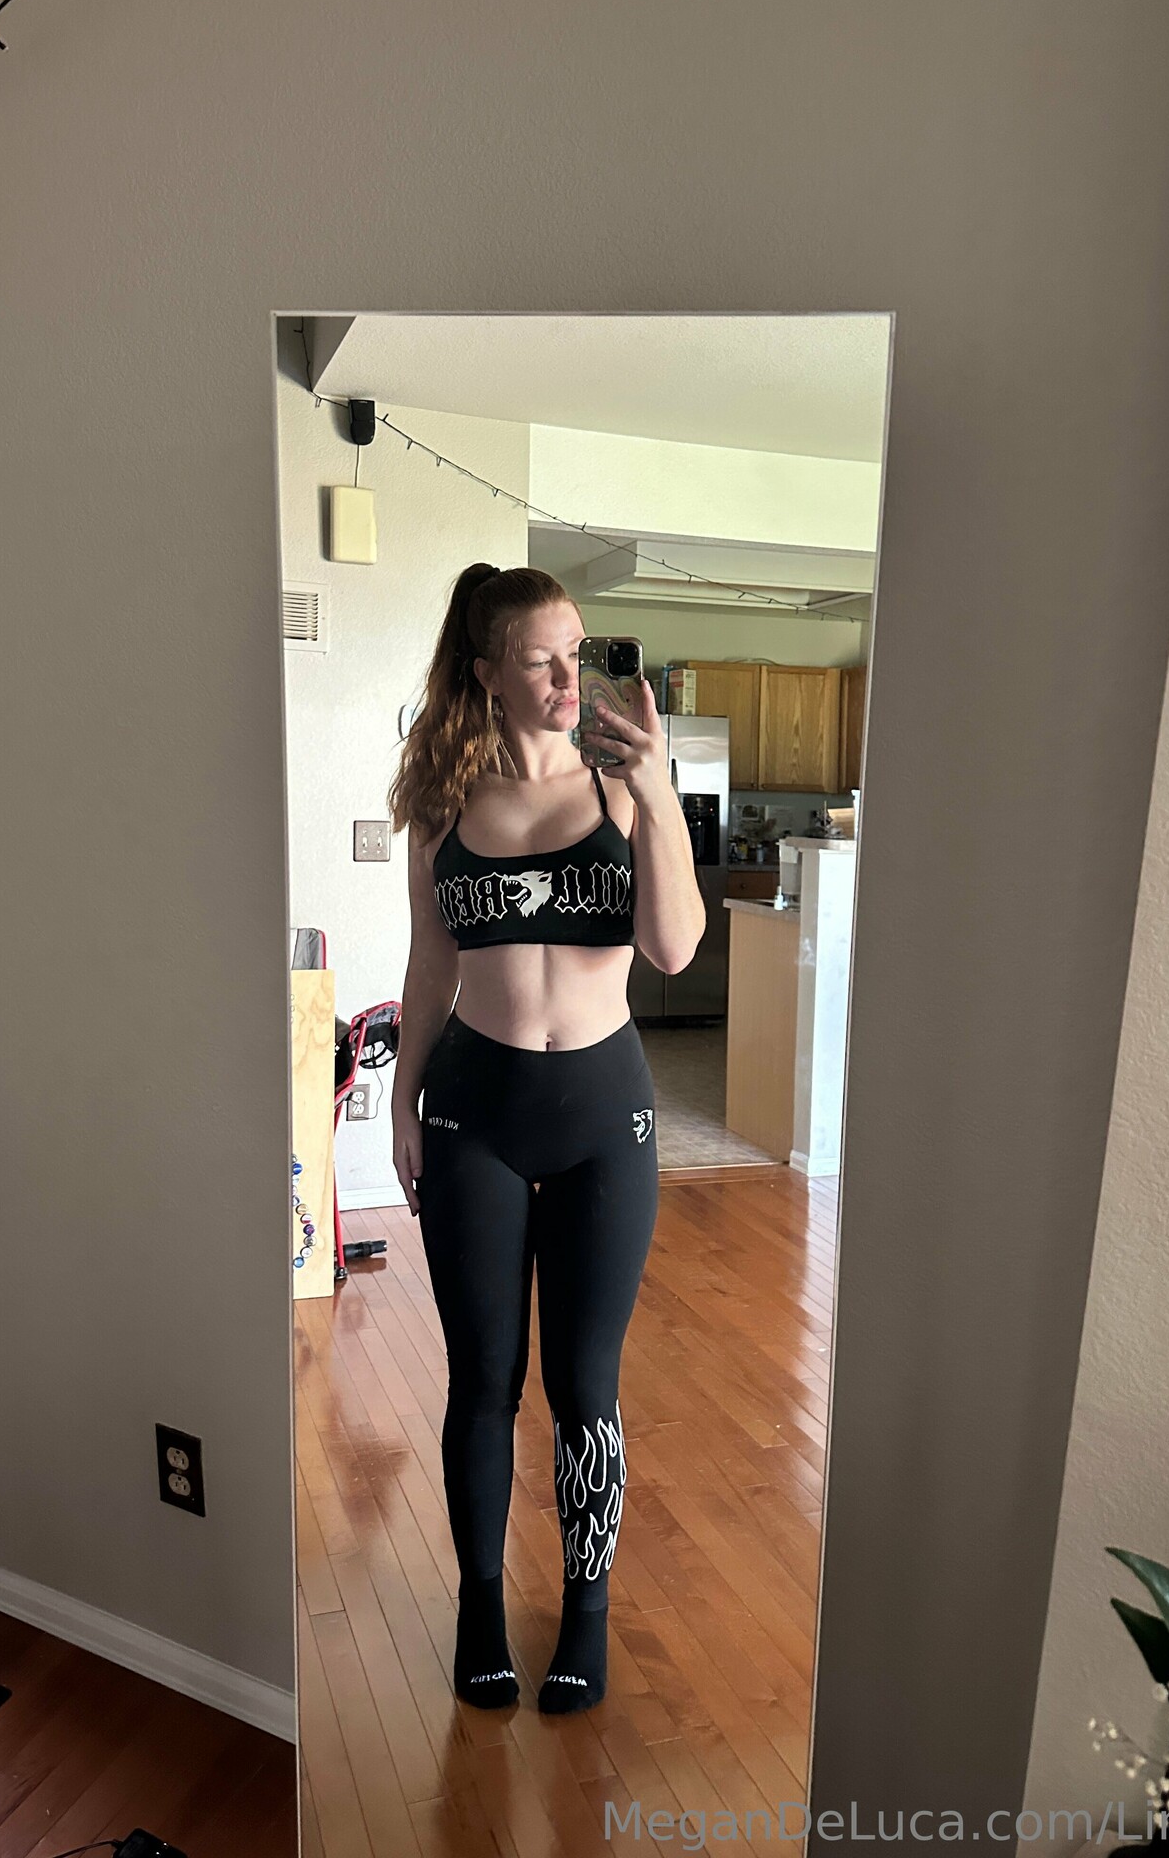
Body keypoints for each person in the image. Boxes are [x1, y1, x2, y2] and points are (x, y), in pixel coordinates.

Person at [387, 562, 705, 1714]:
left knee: (585, 1387)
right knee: (483, 1381)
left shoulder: (624, 790)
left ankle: (586, 1613)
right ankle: (480, 1608)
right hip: (473, 1116)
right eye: (541, 658)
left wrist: (657, 797)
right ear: (489, 673)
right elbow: (431, 963)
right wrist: (403, 1099)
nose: (570, 677)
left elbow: (673, 948)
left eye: (578, 652)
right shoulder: (444, 802)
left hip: (602, 1122)